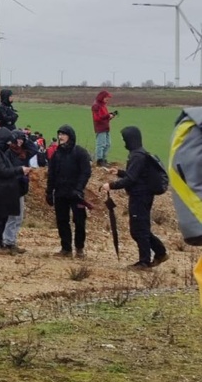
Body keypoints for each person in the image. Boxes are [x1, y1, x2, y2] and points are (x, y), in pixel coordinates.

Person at [101, 126, 169, 269]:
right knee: (140, 228)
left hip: (140, 197)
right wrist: (119, 172)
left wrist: (111, 185)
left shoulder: (137, 156)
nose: (124, 142)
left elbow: (131, 180)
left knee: (139, 229)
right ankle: (160, 252)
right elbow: (137, 176)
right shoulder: (139, 154)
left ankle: (145, 261)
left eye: (125, 139)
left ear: (131, 139)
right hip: (142, 196)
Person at [45, 125, 92, 258]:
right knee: (62, 220)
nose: (60, 137)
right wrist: (49, 192)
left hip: (76, 194)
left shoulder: (80, 152)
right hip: (60, 193)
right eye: (59, 134)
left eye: (63, 134)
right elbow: (51, 174)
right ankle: (66, 248)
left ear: (70, 136)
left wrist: (79, 188)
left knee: (80, 221)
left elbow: (86, 172)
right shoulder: (56, 154)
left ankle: (79, 248)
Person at [0, 128, 32, 251]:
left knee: (3, 216)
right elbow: (2, 170)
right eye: (8, 141)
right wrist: (20, 170)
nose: (10, 144)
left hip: (4, 188)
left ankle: (0, 243)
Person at [91, 90, 117, 166]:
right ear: (102, 97)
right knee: (101, 144)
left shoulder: (103, 105)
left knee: (108, 144)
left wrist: (111, 116)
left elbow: (104, 118)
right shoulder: (96, 106)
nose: (107, 99)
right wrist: (108, 115)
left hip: (106, 127)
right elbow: (97, 118)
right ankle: (99, 160)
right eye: (106, 97)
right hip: (100, 128)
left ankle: (104, 159)